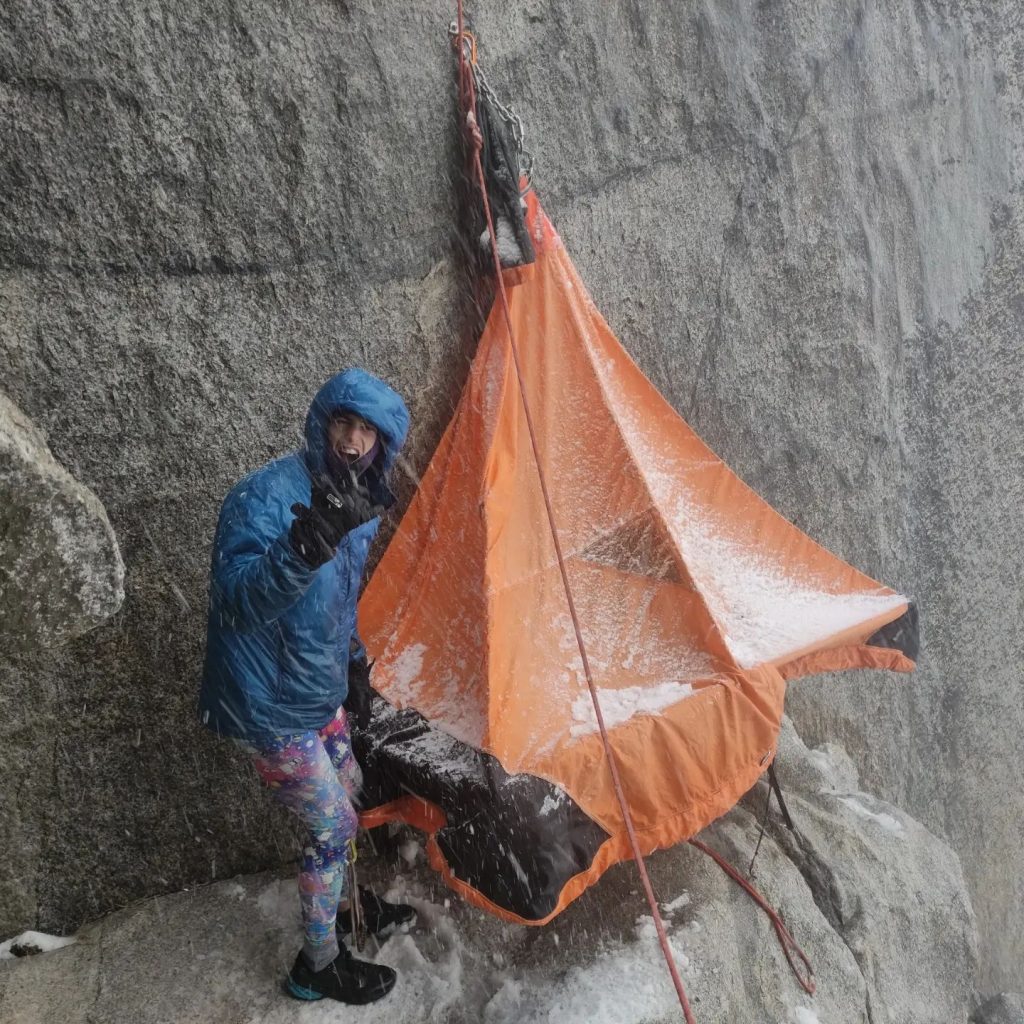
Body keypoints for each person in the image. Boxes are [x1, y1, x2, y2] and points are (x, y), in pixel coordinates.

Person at [198, 368, 414, 1004]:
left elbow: (337, 599)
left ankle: (344, 905)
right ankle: (316, 964)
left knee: (352, 784)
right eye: (342, 422)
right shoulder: (263, 499)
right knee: (335, 827)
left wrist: (354, 663)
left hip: (316, 687)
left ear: (382, 444)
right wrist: (299, 549)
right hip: (266, 703)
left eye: (367, 430)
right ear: (322, 423)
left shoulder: (358, 504)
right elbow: (236, 603)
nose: (351, 440)